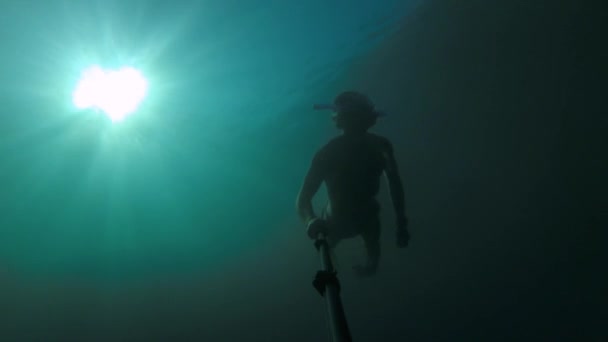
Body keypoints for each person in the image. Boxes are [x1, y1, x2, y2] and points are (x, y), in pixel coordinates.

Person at [296, 91, 410, 277]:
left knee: (369, 260)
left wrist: (401, 222)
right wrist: (311, 220)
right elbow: (303, 199)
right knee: (327, 261)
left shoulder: (380, 147)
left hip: (364, 219)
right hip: (338, 222)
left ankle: (365, 269)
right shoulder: (329, 153)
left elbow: (395, 185)